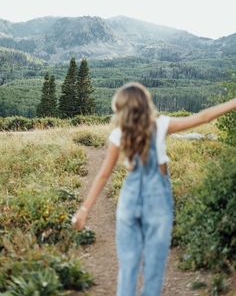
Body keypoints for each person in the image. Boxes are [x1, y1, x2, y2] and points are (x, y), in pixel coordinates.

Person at [72, 82, 236, 296]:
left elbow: (103, 174)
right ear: (145, 105)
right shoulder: (161, 126)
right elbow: (203, 117)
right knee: (154, 269)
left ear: (121, 110)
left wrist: (84, 209)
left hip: (129, 202)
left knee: (128, 266)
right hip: (157, 202)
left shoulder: (118, 135)